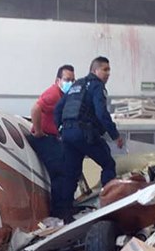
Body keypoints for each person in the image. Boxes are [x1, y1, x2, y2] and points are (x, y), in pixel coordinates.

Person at [52, 56, 124, 220]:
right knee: (108, 163)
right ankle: (108, 207)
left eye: (109, 70)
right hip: (84, 133)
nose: (108, 73)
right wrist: (115, 136)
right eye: (105, 69)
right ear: (95, 70)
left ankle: (66, 214)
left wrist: (61, 130)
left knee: (71, 173)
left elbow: (58, 109)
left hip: (68, 135)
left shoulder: (77, 85)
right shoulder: (97, 86)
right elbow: (101, 113)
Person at [28, 64, 75, 218]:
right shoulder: (53, 94)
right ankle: (58, 213)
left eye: (73, 80)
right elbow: (35, 108)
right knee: (60, 173)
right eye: (67, 79)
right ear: (58, 80)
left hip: (53, 136)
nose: (71, 83)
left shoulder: (64, 96)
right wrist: (39, 131)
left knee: (67, 169)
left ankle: (65, 208)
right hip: (44, 138)